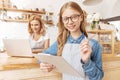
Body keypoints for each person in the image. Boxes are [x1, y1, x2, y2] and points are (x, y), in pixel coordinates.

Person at [40, 1, 104, 80]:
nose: (70, 22)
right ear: (62, 21)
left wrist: (86, 61)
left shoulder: (94, 45)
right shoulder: (61, 42)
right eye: (66, 18)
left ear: (81, 17)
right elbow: (42, 56)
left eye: (74, 17)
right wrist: (43, 64)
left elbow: (98, 77)